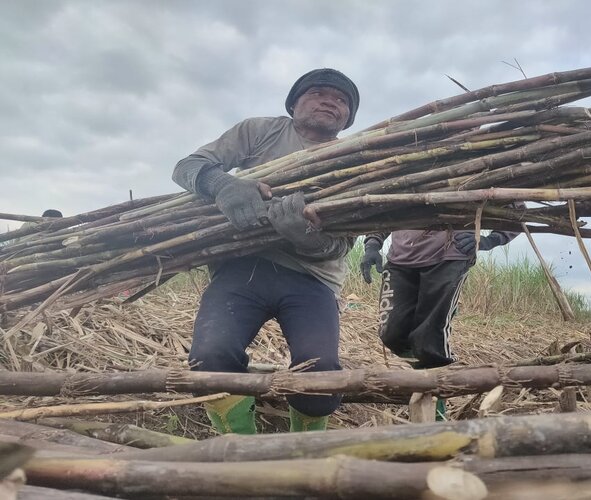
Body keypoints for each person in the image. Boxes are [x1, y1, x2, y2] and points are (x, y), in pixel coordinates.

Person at [172, 68, 359, 434]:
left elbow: (340, 245)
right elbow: (187, 167)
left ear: (348, 118)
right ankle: (241, 448)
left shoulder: (355, 157)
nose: (330, 101)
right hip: (242, 268)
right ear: (293, 104)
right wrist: (223, 185)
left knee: (319, 373)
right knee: (210, 357)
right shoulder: (260, 131)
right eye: (318, 93)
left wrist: (304, 237)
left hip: (313, 279)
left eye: (341, 100)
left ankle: (301, 449)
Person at [360, 228, 518, 419]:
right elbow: (382, 210)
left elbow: (517, 210)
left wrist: (488, 240)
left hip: (448, 257)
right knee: (391, 334)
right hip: (400, 260)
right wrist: (373, 244)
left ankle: (436, 412)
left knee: (429, 342)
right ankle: (423, 373)